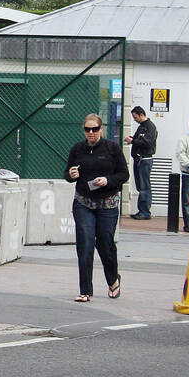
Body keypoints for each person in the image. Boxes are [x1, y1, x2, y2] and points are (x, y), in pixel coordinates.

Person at [65, 112, 129, 302]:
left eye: (94, 129)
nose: (91, 133)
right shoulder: (77, 149)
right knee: (85, 243)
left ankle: (113, 280)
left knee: (105, 243)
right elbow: (67, 174)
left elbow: (124, 174)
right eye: (87, 129)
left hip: (107, 203)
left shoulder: (112, 148)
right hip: (83, 202)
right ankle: (85, 290)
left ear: (101, 129)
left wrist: (107, 180)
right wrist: (71, 174)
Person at [124, 105, 157, 220]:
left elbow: (147, 143)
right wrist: (133, 139)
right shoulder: (142, 127)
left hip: (145, 159)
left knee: (144, 186)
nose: (135, 120)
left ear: (141, 115)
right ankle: (141, 210)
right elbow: (140, 140)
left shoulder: (150, 127)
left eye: (135, 117)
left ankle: (145, 212)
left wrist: (132, 141)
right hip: (139, 159)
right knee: (140, 186)